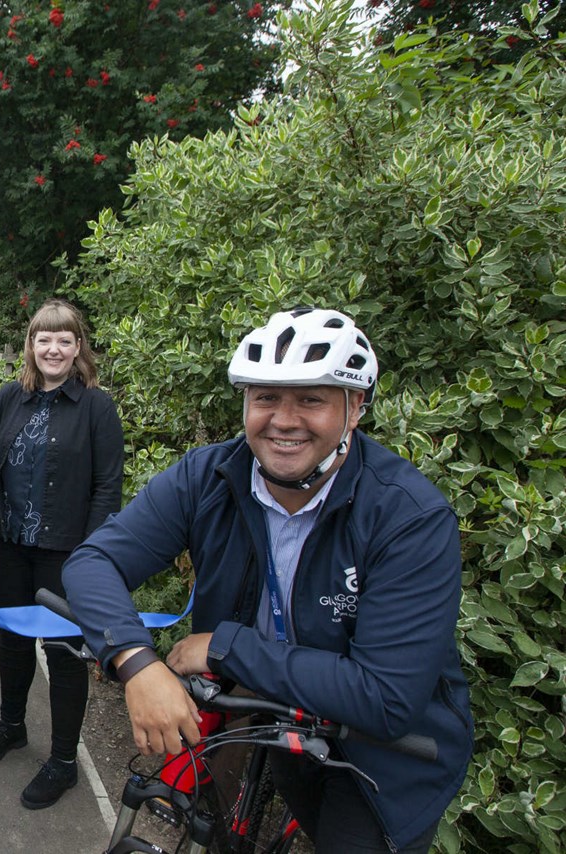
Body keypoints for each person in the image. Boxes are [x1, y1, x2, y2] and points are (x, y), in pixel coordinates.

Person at [63, 309, 473, 853]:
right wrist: (136, 661)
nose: (283, 419)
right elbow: (92, 562)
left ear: (355, 410)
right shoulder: (207, 475)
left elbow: (385, 697)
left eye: (311, 400)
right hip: (277, 711)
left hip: (387, 756)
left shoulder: (409, 516)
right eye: (265, 398)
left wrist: (225, 646)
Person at [0, 298, 123, 809]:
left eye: (63, 339)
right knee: (12, 641)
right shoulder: (10, 397)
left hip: (68, 554)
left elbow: (107, 487)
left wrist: (92, 557)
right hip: (9, 545)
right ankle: (12, 725)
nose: (53, 348)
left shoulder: (97, 408)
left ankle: (62, 761)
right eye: (43, 338)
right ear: (31, 346)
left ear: (78, 347)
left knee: (64, 655)